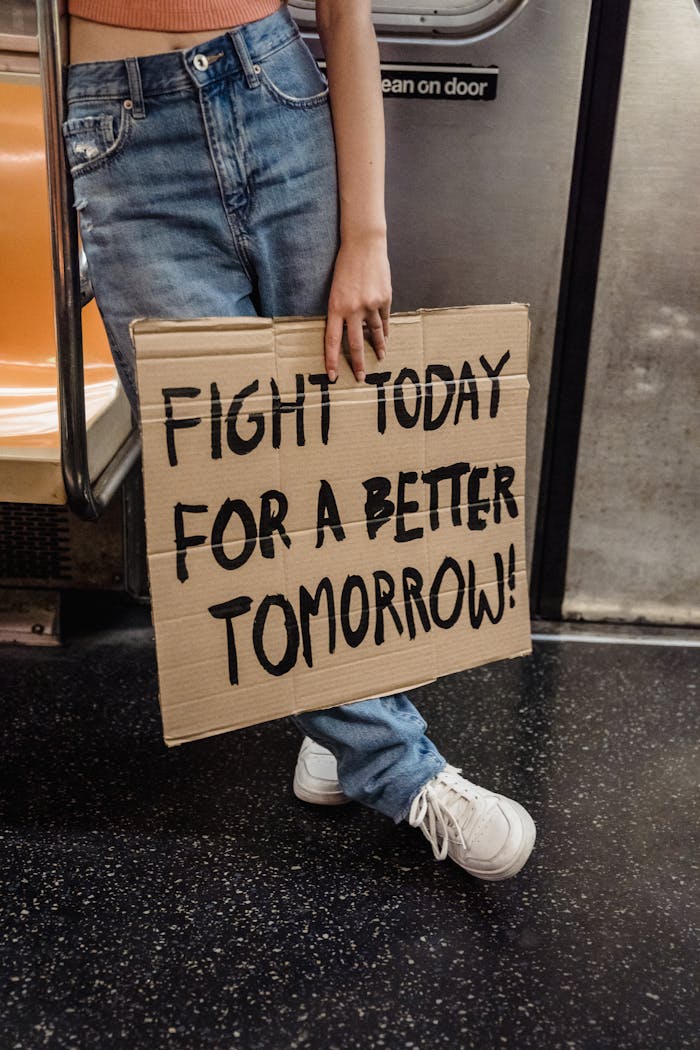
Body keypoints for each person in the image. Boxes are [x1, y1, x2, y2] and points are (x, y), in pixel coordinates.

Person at [64, 0, 535, 880]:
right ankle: (403, 770)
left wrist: (367, 237)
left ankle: (340, 722)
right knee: (232, 488)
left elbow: (344, 14)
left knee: (334, 459)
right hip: (122, 137)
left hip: (275, 94)